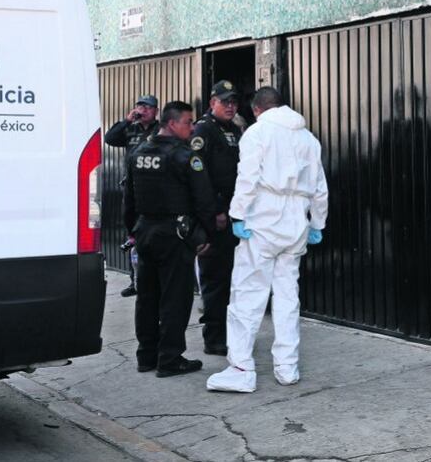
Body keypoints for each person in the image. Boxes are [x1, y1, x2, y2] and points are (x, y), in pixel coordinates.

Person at [206, 87, 328, 393]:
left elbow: (247, 177)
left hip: (263, 219)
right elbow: (320, 187)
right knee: (288, 296)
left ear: (257, 109)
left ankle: (241, 369)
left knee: (248, 294)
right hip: (296, 221)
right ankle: (287, 367)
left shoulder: (258, 133)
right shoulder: (308, 139)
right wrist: (318, 223)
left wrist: (237, 215)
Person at [123, 101, 218, 378]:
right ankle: (170, 358)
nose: (191, 128)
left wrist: (133, 230)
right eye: (188, 122)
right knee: (175, 298)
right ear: (173, 123)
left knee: (147, 296)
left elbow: (129, 198)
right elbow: (204, 201)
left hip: (145, 232)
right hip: (175, 235)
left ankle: (146, 355)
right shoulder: (185, 156)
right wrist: (206, 235)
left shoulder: (139, 152)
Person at [190, 80, 244, 356]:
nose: (230, 106)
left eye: (234, 102)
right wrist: (214, 213)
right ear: (212, 102)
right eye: (225, 102)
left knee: (233, 279)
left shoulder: (233, 129)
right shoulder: (203, 130)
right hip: (217, 218)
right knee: (215, 281)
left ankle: (228, 332)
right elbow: (199, 178)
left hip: (235, 216)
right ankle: (214, 338)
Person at [105, 94, 159, 298]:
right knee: (132, 233)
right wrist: (127, 120)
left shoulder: (159, 129)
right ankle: (134, 280)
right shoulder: (130, 128)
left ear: (155, 111)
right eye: (140, 106)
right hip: (132, 190)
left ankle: (150, 279)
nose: (142, 110)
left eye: (147, 107)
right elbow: (110, 138)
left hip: (154, 190)